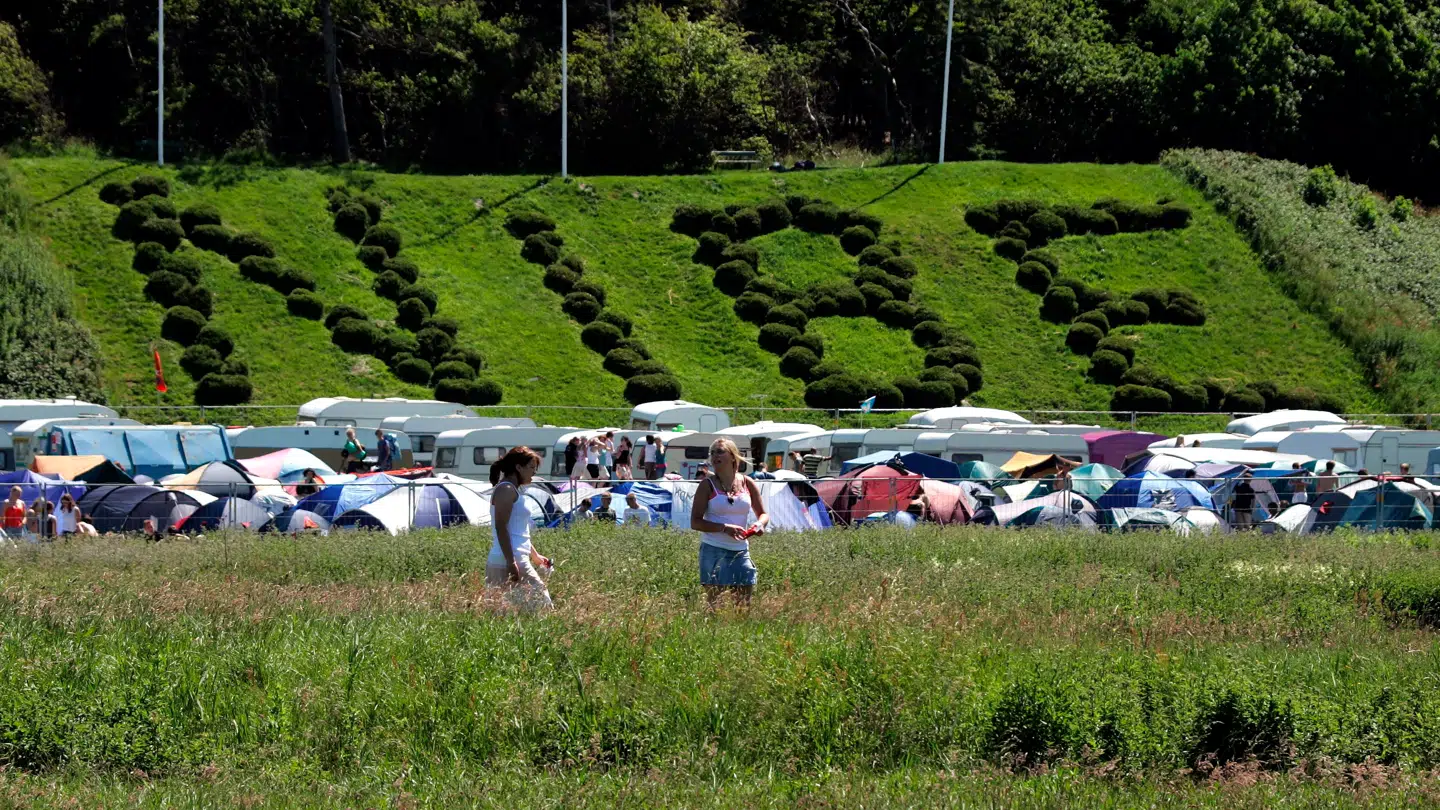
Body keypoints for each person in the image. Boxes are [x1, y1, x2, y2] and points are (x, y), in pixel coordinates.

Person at [690, 438, 769, 608]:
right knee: (714, 607)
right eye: (712, 453)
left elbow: (763, 514)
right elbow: (695, 522)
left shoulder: (748, 483)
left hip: (740, 551)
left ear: (733, 456)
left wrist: (759, 524)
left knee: (743, 607)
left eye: (720, 451)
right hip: (713, 550)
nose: (714, 456)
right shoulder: (707, 485)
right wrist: (724, 528)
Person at [486, 447, 553, 612]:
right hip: (508, 559)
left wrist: (535, 556)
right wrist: (511, 562)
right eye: (531, 467)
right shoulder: (506, 490)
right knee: (542, 603)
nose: (534, 472)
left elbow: (517, 530)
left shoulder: (513, 489)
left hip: (515, 556)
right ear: (518, 467)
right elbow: (501, 527)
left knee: (507, 612)